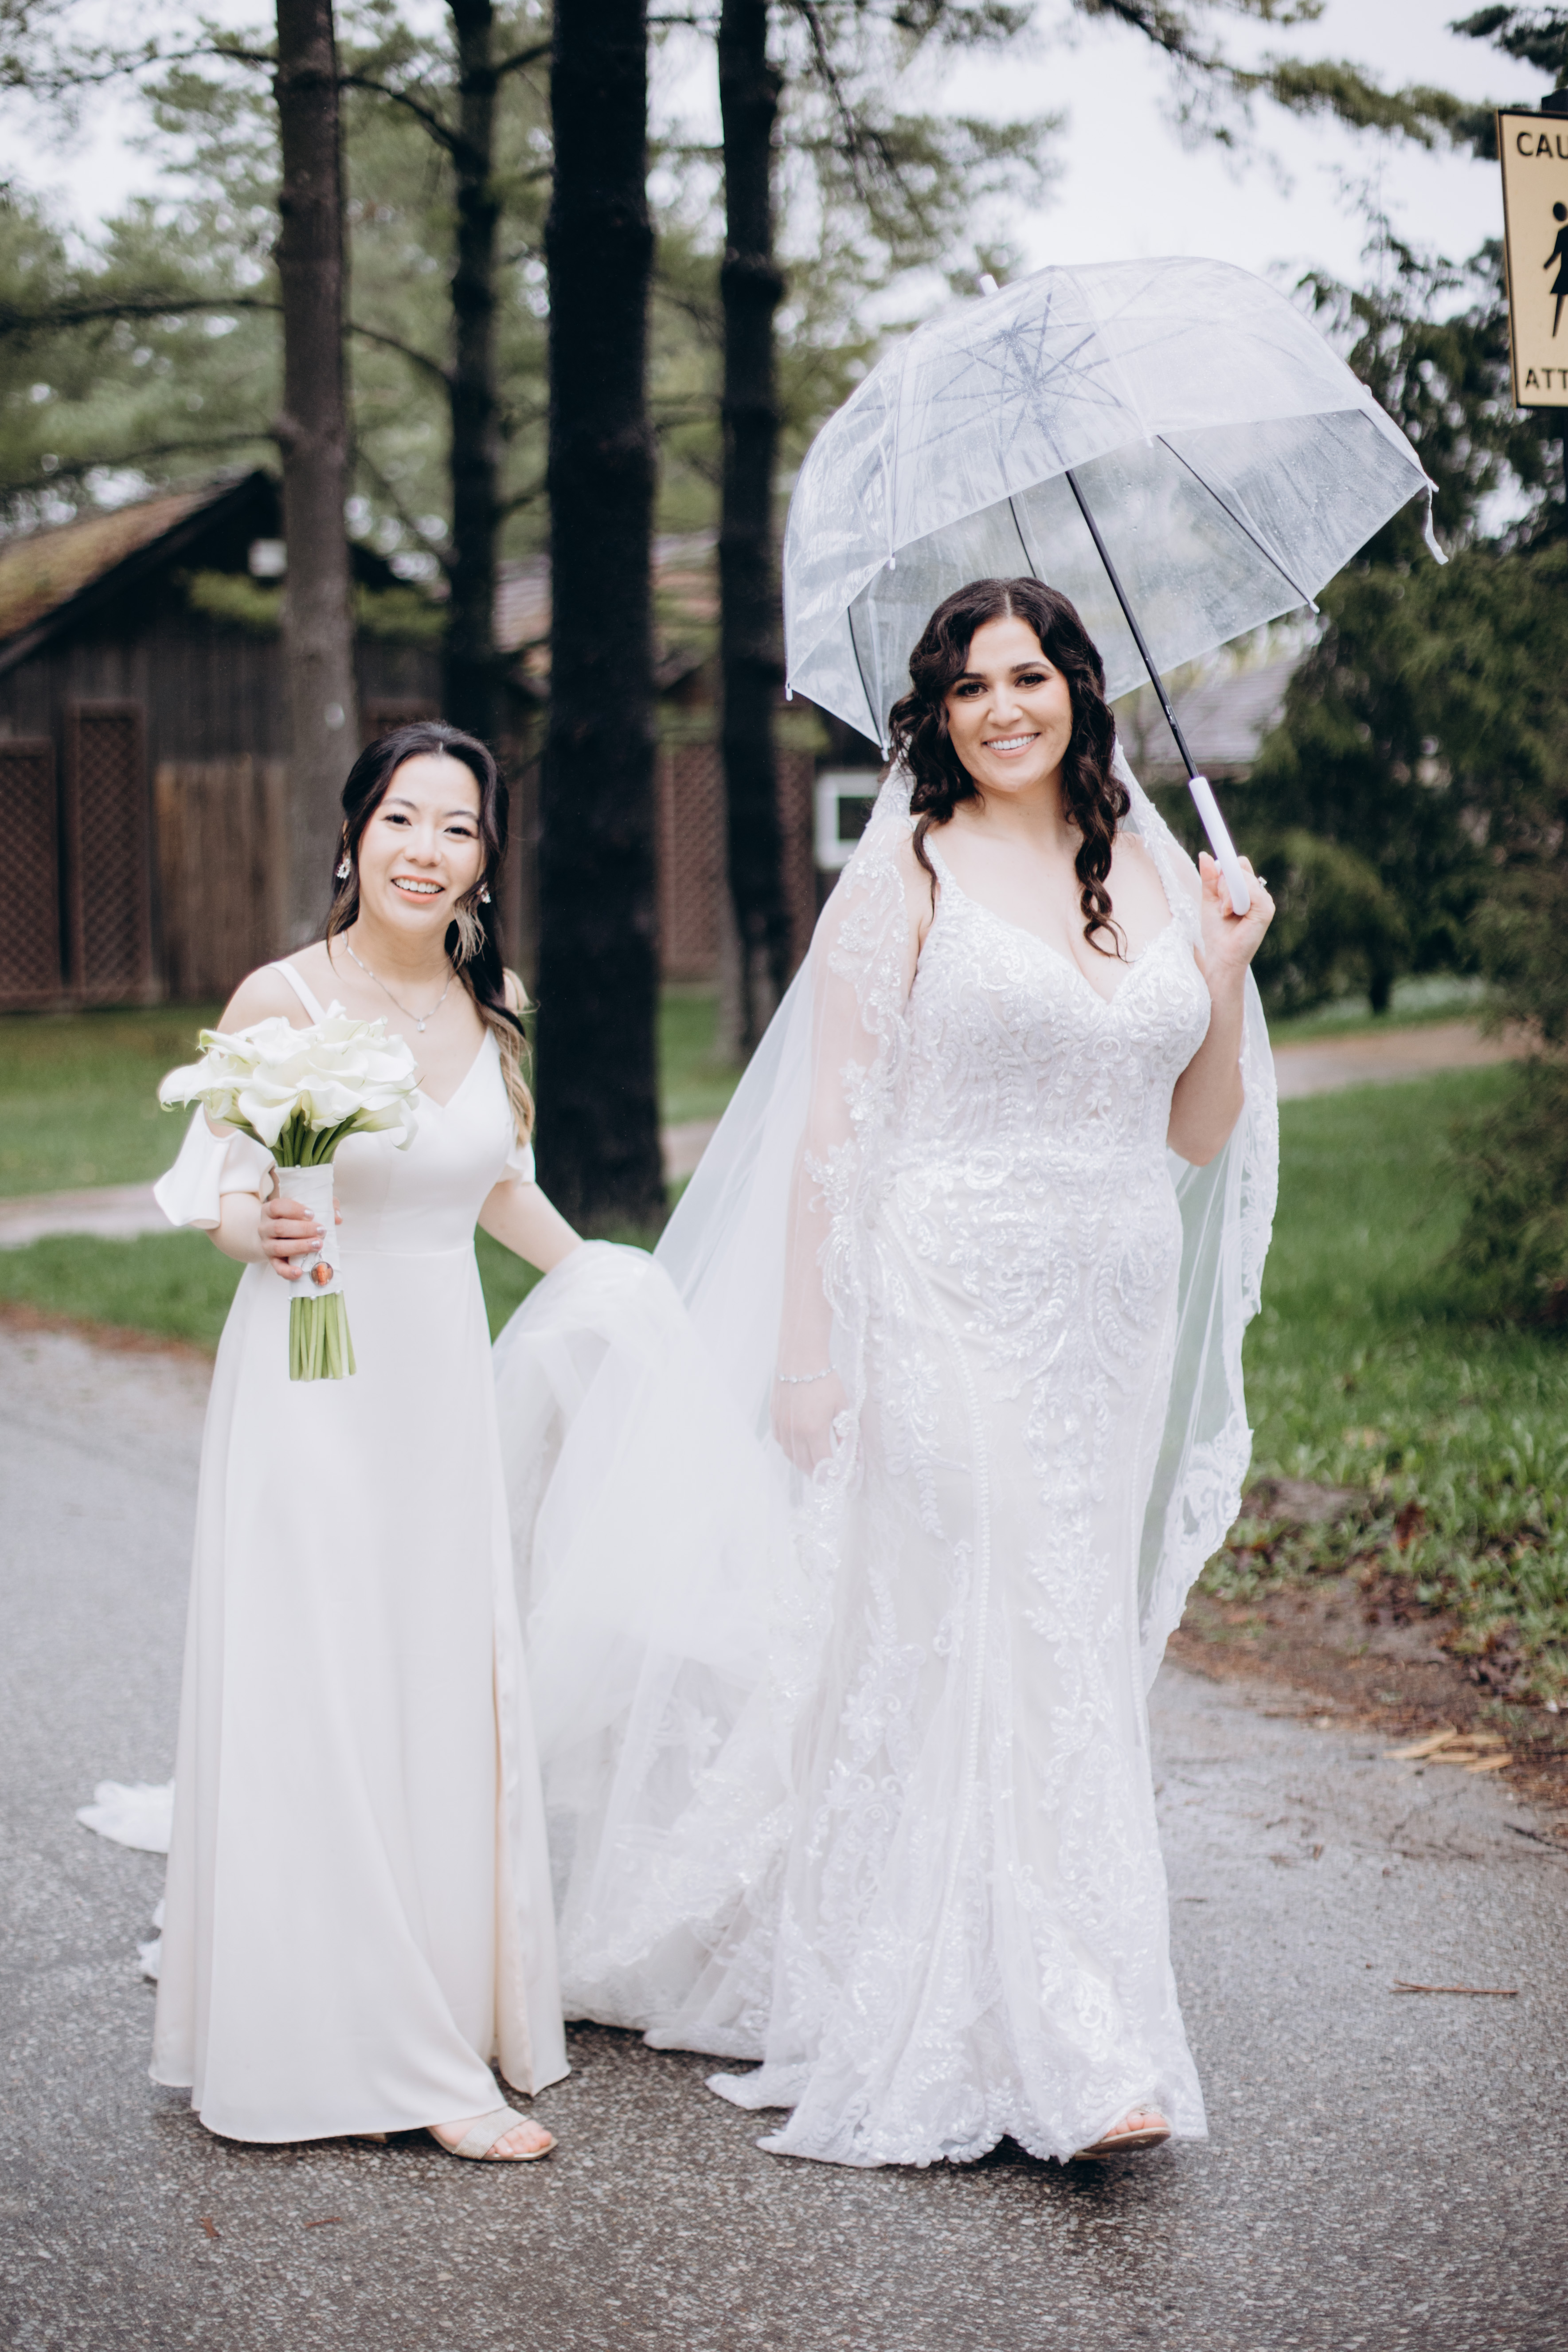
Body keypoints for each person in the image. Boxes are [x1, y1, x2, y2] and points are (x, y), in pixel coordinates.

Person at [495, 579, 1278, 2169]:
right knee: (1007, 1616)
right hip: (939, 1297)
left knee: (1054, 1630)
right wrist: (808, 1354)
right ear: (937, 713)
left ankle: (1021, 1979)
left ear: (1079, 688)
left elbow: (1195, 1134)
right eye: (970, 686)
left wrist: (1229, 965)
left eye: (1030, 676)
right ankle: (1067, 2044)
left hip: (1103, 1321)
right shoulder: (907, 865)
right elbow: (829, 1137)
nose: (1003, 708)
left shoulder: (1148, 866)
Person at [149, 721, 580, 2160]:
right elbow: (222, 1187)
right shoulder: (284, 997)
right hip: (310, 1373)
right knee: (322, 1672)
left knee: (429, 1679)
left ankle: (441, 1992)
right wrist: (258, 1225)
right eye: (402, 817)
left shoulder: (491, 1004)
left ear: (486, 860)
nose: (425, 849)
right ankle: (380, 2051)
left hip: (437, 1388)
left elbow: (499, 1186)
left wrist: (610, 1290)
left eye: (457, 827)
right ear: (353, 834)